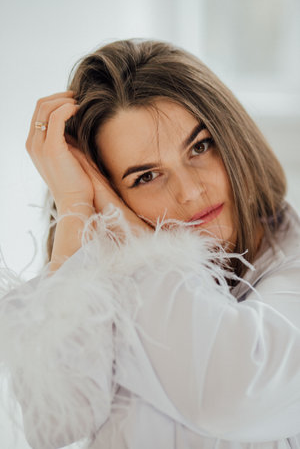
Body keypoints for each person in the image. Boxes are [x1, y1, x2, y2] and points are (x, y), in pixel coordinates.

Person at [0, 39, 300, 449]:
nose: (190, 192)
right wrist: (75, 207)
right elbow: (54, 422)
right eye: (145, 176)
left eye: (200, 147)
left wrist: (144, 253)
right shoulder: (113, 273)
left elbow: (232, 397)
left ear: (232, 138)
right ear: (111, 193)